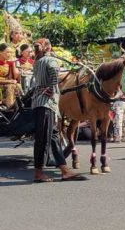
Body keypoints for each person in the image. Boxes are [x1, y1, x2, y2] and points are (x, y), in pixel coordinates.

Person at [31, 38, 86, 182]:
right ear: (49, 48)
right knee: (43, 140)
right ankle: (38, 173)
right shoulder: (51, 61)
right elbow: (55, 84)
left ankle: (64, 170)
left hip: (39, 102)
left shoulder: (37, 61)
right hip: (47, 104)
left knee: (54, 137)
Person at [0, 42, 21, 109]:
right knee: (11, 86)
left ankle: (19, 107)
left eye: (11, 52)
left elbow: (14, 77)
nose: (10, 54)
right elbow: (10, 81)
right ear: (0, 52)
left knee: (17, 85)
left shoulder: (8, 63)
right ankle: (10, 107)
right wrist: (9, 82)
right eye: (7, 52)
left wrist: (13, 64)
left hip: (5, 84)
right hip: (2, 84)